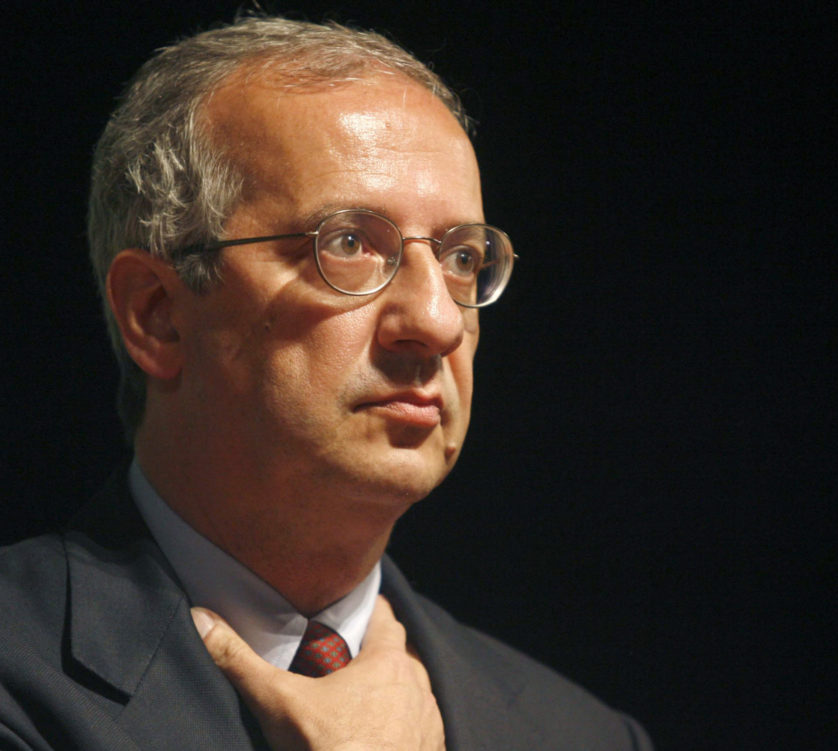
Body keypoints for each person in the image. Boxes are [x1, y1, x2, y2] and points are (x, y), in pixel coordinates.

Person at [0, 14, 652, 751]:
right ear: (158, 315)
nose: (437, 321)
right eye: (347, 244)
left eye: (462, 259)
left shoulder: (585, 735)